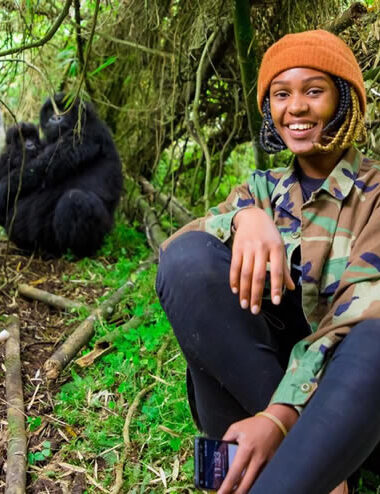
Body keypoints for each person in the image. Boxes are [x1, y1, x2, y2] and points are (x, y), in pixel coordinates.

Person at [156, 29, 380, 494]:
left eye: (313, 91)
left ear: (345, 101)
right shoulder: (259, 191)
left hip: (351, 408)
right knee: (190, 262)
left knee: (375, 337)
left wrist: (281, 419)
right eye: (281, 94)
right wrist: (246, 220)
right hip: (256, 406)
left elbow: (358, 316)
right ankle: (294, 470)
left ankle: (302, 463)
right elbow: (176, 263)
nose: (295, 108)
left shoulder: (375, 194)